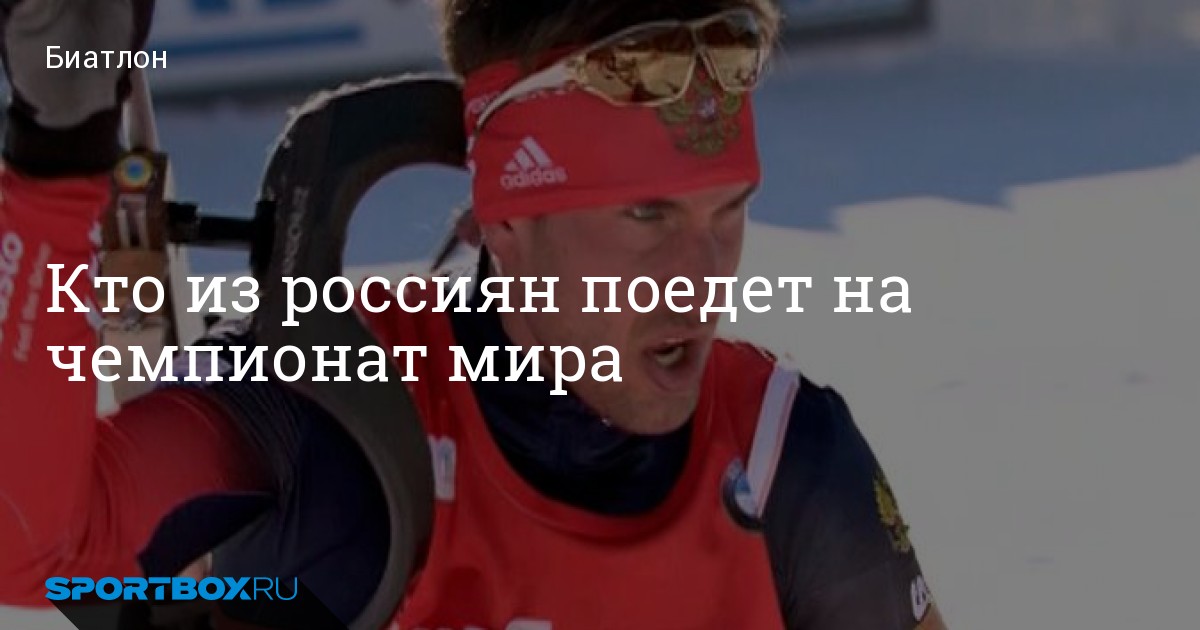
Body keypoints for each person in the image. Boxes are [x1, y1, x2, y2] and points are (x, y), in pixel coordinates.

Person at [0, 0, 947, 627]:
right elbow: (34, 550)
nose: (698, 278)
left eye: (726, 212)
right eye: (646, 217)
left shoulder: (785, 454)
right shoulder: (332, 412)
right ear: (505, 217)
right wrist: (56, 163)